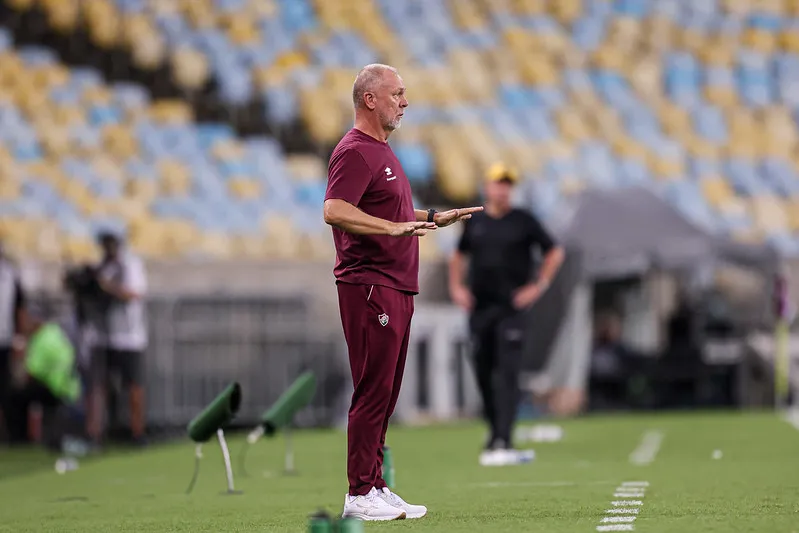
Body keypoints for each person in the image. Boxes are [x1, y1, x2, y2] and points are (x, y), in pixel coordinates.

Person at [323, 63, 482, 521]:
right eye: (397, 93)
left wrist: (432, 217)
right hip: (370, 282)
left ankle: (374, 483)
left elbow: (388, 210)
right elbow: (334, 209)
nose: (405, 102)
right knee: (373, 389)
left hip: (395, 284)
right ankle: (358, 493)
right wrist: (393, 228)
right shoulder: (354, 150)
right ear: (370, 99)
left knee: (387, 392)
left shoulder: (382, 151)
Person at [448, 163, 564, 466]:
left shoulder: (523, 220)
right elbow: (459, 254)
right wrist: (457, 287)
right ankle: (494, 430)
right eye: (498, 183)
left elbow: (554, 251)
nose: (503, 189)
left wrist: (538, 285)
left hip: (511, 309)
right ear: (487, 187)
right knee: (483, 371)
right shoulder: (476, 222)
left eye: (507, 184)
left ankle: (504, 437)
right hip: (481, 307)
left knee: (509, 372)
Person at [88, 231, 148, 446]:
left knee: (134, 386)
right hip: (104, 336)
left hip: (130, 337)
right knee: (98, 385)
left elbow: (134, 293)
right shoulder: (102, 267)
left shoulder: (131, 265)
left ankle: (137, 433)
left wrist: (107, 287)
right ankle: (95, 433)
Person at [4, 312, 83, 450]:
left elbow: (31, 372)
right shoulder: (54, 332)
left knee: (13, 396)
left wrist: (19, 356)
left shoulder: (41, 339)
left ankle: (19, 438)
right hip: (71, 387)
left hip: (55, 387)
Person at [0, 241, 28, 443]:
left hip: (5, 339)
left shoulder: (10, 273)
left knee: (6, 388)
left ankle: (9, 433)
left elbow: (20, 308)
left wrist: (20, 338)